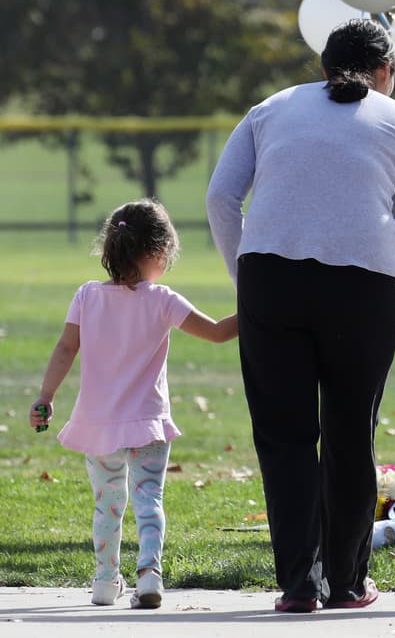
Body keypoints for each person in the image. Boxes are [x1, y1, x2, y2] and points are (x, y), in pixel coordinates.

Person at [206, 19, 395, 613]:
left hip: (270, 278)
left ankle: (298, 584)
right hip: (362, 285)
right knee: (351, 435)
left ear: (323, 66)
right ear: (385, 72)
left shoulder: (270, 109)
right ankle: (348, 583)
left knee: (284, 438)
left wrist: (246, 275)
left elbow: (220, 198)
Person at [29, 198, 238, 610]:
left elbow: (65, 348)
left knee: (108, 505)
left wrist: (46, 397)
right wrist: (262, 309)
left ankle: (105, 581)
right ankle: (149, 575)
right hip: (147, 425)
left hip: (98, 425)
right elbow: (216, 333)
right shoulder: (163, 299)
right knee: (149, 500)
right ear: (159, 253)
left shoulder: (87, 296)